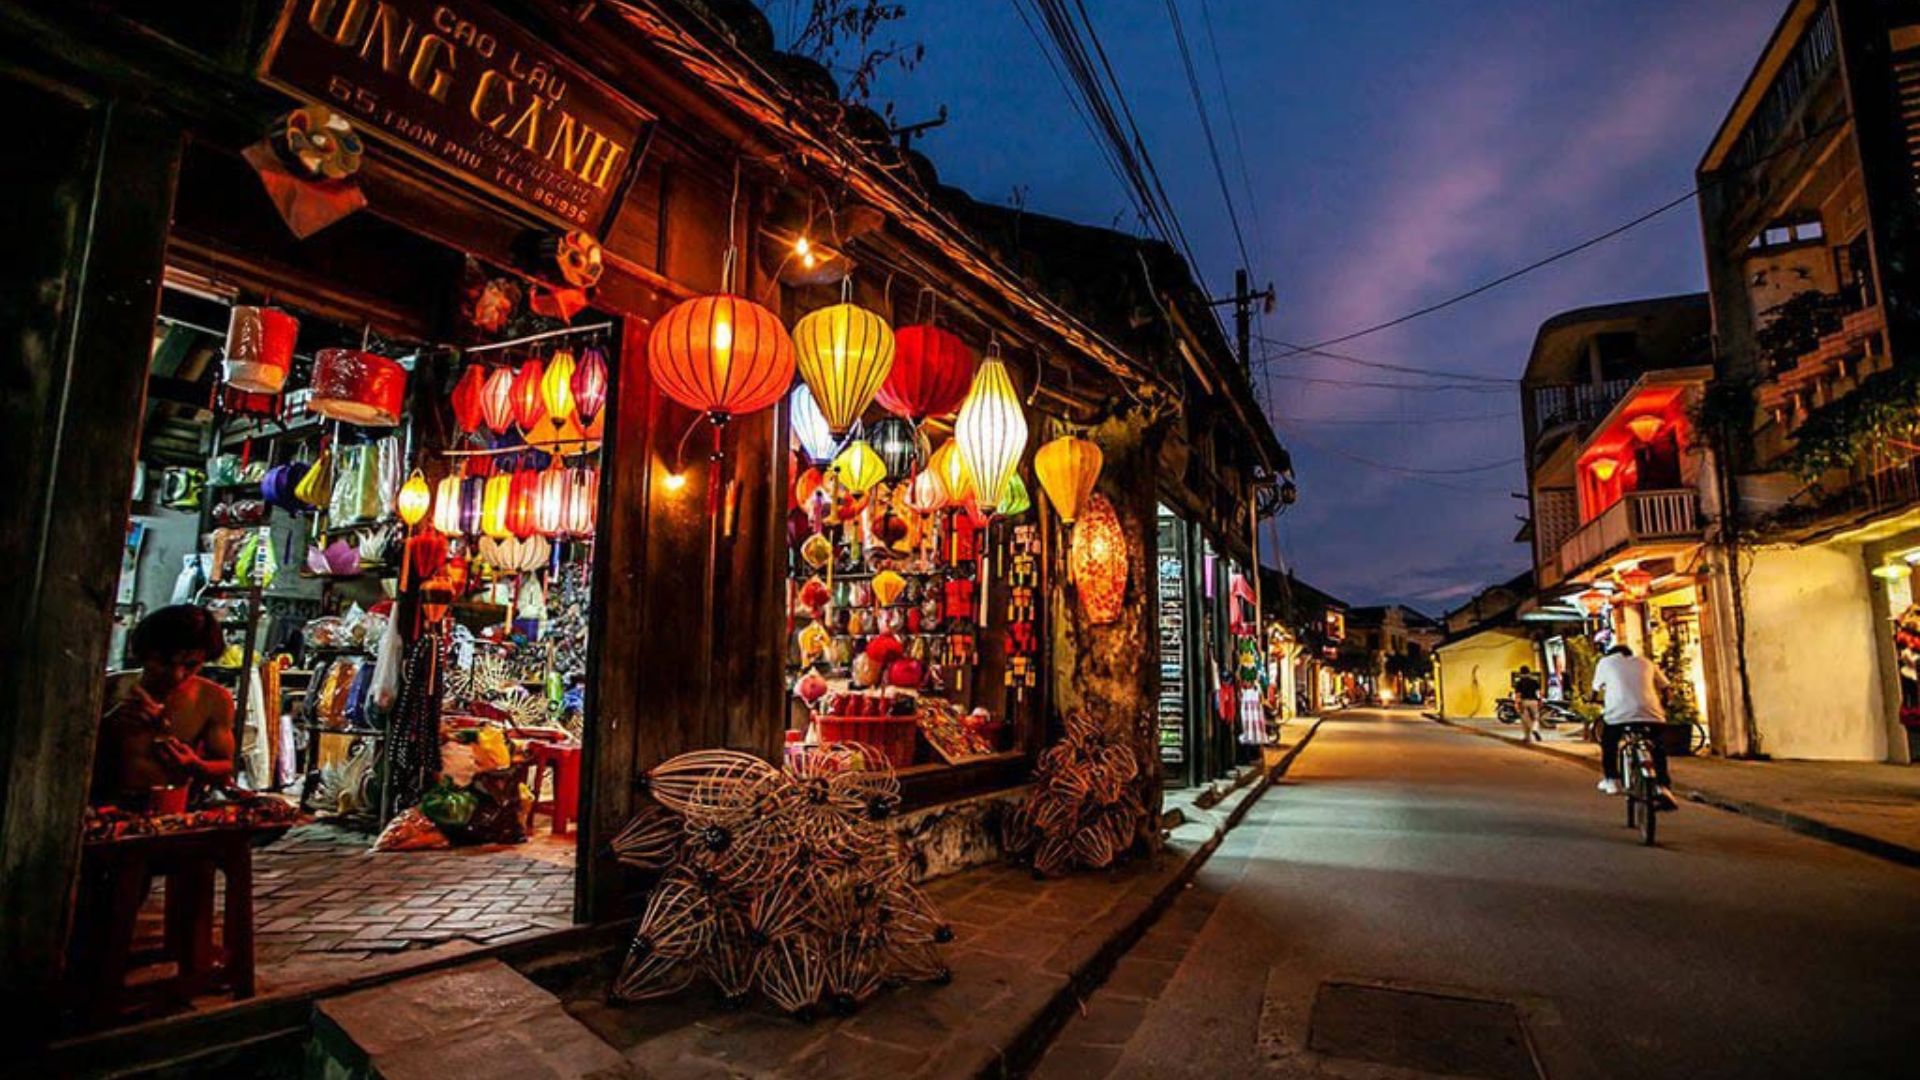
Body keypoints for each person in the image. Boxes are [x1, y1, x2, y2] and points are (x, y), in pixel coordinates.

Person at [92, 604, 236, 809]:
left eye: (190, 665)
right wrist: (107, 725)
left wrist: (196, 765)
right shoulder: (107, 688)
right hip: (104, 810)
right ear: (144, 654)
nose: (177, 675)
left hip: (172, 812)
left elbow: (225, 767)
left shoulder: (213, 699)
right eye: (165, 662)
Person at [1589, 643, 1676, 809]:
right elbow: (1666, 687)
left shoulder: (1605, 663)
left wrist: (1593, 699)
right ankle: (1663, 786)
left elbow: (1594, 690)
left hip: (1618, 714)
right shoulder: (1645, 662)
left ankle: (1611, 779)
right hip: (1651, 713)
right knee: (1657, 747)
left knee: (1609, 742)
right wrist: (1666, 703)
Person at [1512, 665, 1543, 742]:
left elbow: (1518, 694)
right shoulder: (1534, 681)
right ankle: (1535, 729)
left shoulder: (1519, 682)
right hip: (1534, 701)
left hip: (1524, 702)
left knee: (1525, 719)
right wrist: (1540, 700)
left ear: (1521, 673)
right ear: (1529, 672)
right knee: (1536, 718)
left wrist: (1516, 703)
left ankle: (1527, 736)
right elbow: (1539, 692)